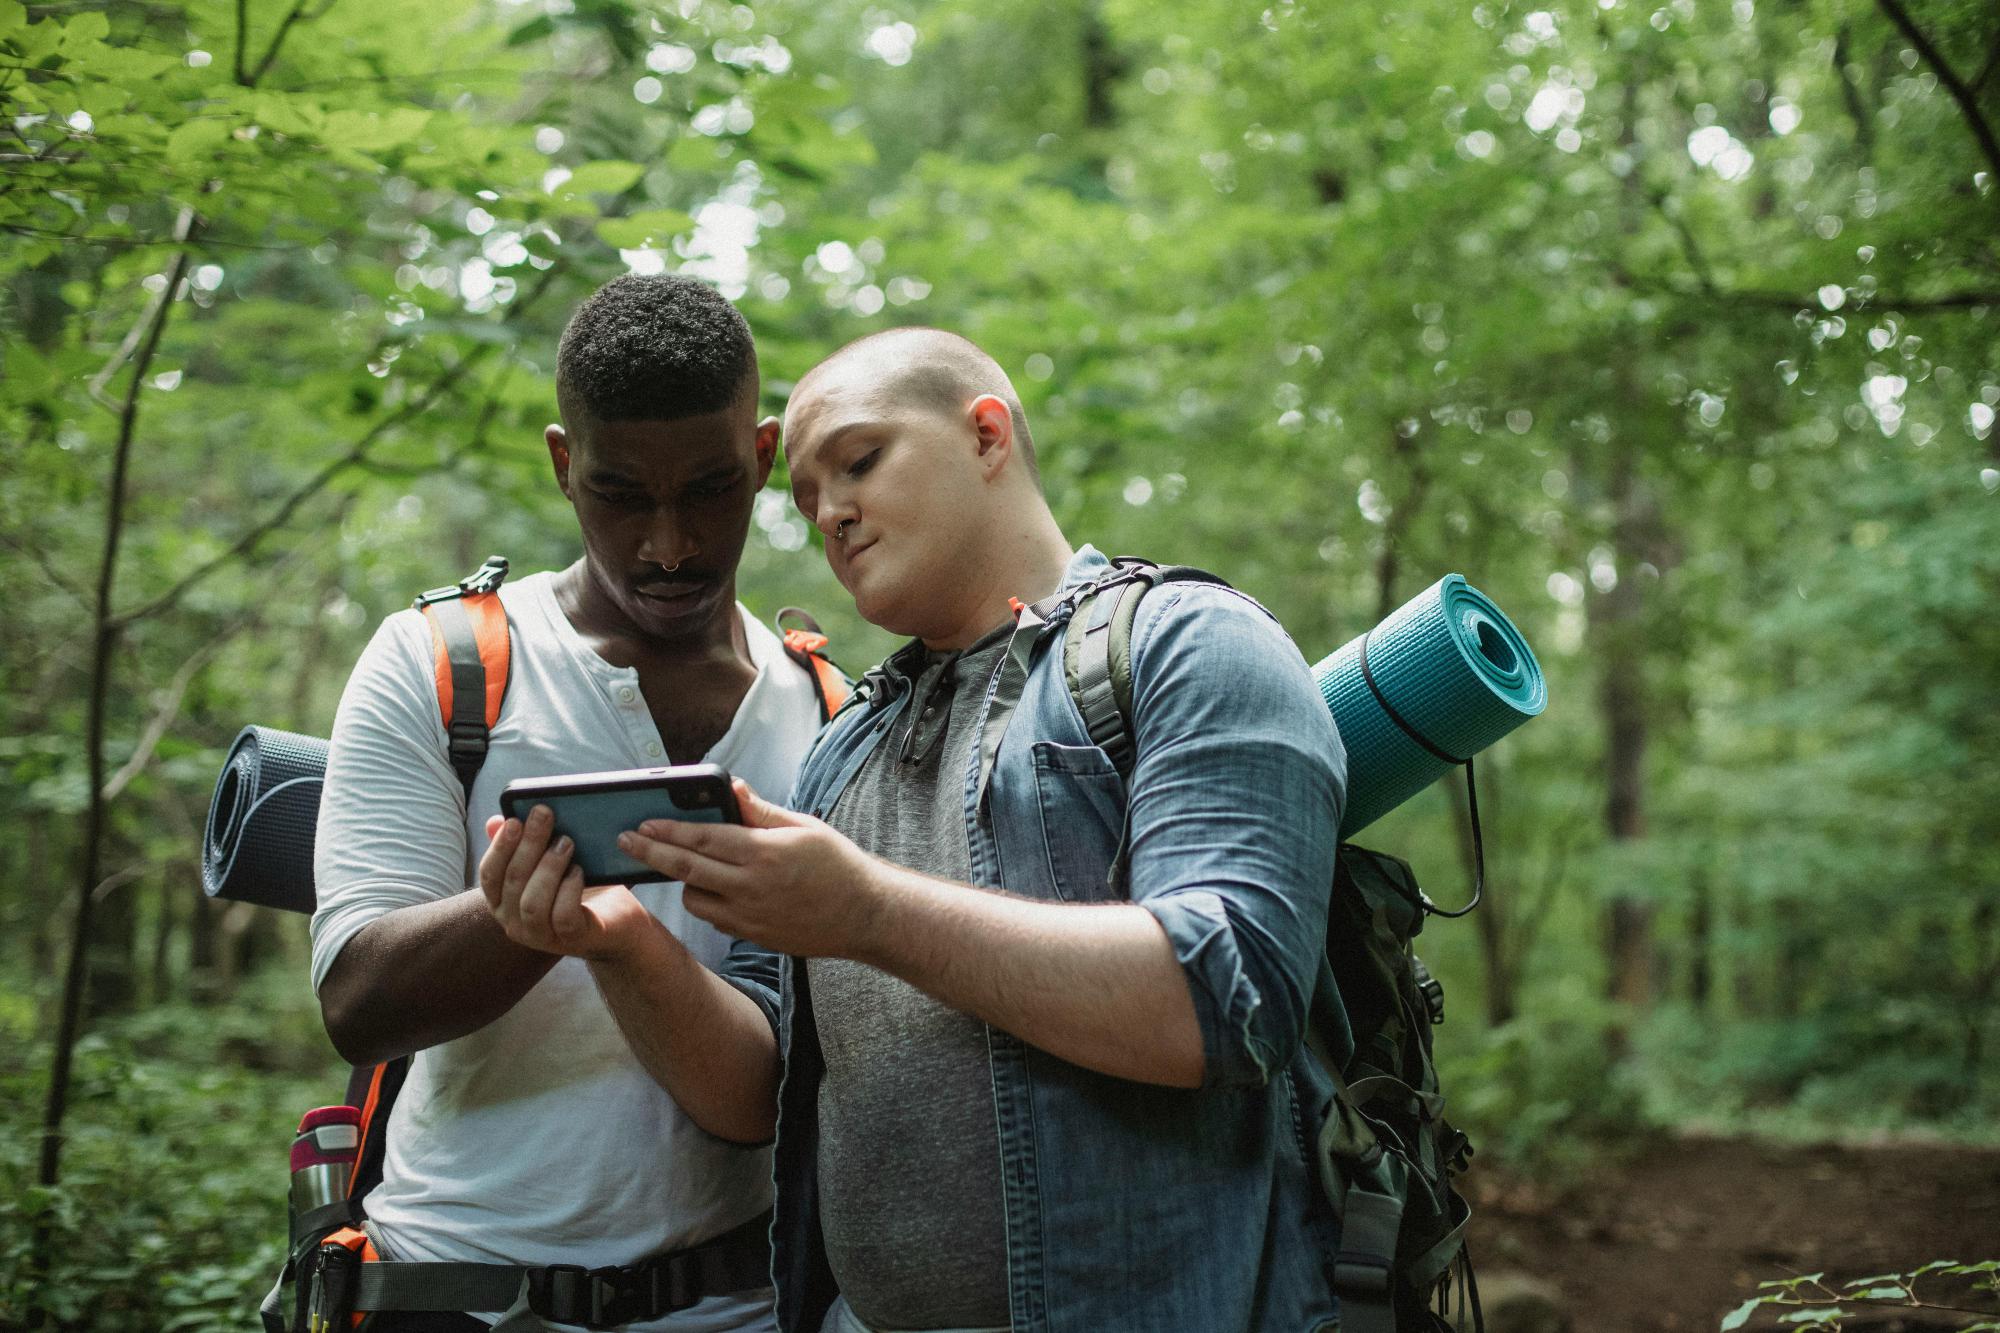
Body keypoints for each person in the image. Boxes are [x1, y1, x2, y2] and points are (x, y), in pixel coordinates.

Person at [482, 328, 1349, 1333]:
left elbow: (1228, 995)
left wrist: (866, 911)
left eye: (859, 460)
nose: (830, 512)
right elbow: (754, 1097)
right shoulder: (841, 744)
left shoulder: (1184, 644)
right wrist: (617, 941)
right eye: (807, 499)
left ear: (986, 436)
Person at [311, 273, 832, 1332]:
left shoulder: (827, 709)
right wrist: (524, 924)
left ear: (765, 456)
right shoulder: (444, 665)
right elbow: (357, 1003)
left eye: (711, 489)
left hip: (738, 1303)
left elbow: (803, 1066)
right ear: (562, 463)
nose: (669, 544)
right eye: (621, 493)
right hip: (453, 1290)